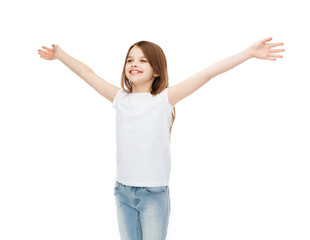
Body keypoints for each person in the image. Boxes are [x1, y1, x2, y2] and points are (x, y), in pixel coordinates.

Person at [38, 37, 285, 240]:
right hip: (123, 191)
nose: (134, 64)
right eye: (130, 60)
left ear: (156, 70)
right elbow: (86, 72)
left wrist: (249, 53)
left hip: (153, 194)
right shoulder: (119, 99)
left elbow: (208, 73)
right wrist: (61, 55)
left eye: (143, 60)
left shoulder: (164, 99)